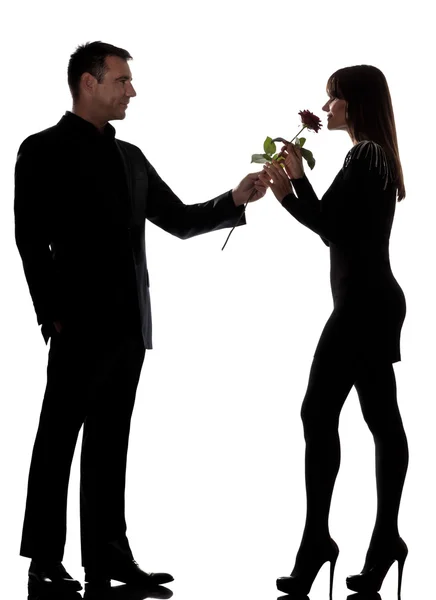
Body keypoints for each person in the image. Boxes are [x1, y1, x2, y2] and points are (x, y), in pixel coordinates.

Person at [14, 41, 266, 595]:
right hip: (75, 326)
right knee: (57, 441)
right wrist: (52, 315)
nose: (132, 91)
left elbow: (176, 218)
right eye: (122, 80)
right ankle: (44, 562)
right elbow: (29, 239)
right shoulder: (42, 149)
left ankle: (109, 558)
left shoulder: (130, 158)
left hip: (129, 327)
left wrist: (234, 198)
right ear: (88, 82)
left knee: (111, 444)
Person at [258, 65, 408, 598]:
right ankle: (383, 541)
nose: (326, 109)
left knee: (319, 412)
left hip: (364, 305)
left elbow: (331, 228)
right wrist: (294, 186)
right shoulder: (372, 156)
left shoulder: (365, 155)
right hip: (371, 303)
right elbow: (337, 229)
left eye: (333, 99)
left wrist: (293, 184)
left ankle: (318, 541)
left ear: (355, 102)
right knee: (380, 419)